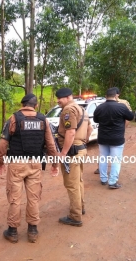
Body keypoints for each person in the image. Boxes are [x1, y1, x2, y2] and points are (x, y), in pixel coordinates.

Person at [0, 93, 59, 244]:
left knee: (15, 198)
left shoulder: (14, 118)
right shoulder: (43, 119)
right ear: (35, 106)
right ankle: (33, 231)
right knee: (34, 197)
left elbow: (3, 144)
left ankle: (12, 232)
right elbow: (51, 145)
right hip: (35, 163)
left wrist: (0, 161)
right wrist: (55, 164)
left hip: (16, 163)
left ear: (22, 105)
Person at [56, 88, 93, 227]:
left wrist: (63, 153)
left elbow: (70, 132)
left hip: (71, 152)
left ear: (67, 97)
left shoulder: (68, 110)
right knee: (78, 181)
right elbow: (90, 129)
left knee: (71, 184)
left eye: (60, 98)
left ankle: (75, 216)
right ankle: (80, 207)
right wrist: (83, 142)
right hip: (80, 149)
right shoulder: (82, 109)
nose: (58, 101)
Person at [93, 88, 134, 189]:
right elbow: (130, 117)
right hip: (117, 138)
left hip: (103, 137)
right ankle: (112, 182)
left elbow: (95, 120)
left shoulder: (99, 107)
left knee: (103, 158)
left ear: (106, 96)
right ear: (116, 96)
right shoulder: (122, 107)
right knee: (115, 160)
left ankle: (103, 179)